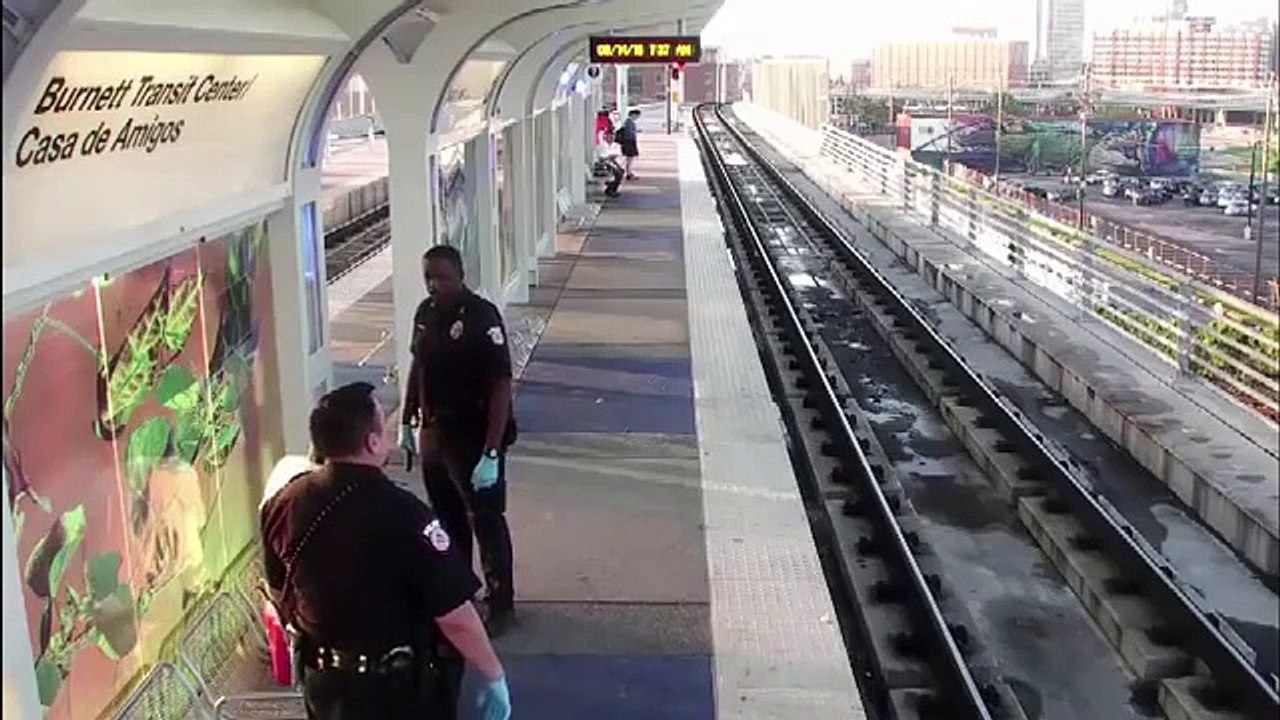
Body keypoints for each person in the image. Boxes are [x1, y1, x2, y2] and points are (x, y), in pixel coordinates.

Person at [261, 382, 512, 720]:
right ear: (372, 441)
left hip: (324, 684)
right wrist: (493, 672)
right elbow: (455, 617)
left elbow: (279, 591)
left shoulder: (283, 504)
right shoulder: (406, 514)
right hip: (394, 690)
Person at [399, 245, 518, 637]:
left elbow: (501, 385)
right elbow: (418, 365)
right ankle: (460, 595)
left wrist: (492, 451)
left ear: (460, 275)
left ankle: (501, 603)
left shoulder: (482, 317)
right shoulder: (425, 314)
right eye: (428, 277)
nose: (434, 285)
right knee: (446, 519)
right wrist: (407, 417)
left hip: (474, 435)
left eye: (442, 277)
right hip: (435, 433)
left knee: (485, 519)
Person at [593, 108, 624, 197]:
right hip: (605, 160)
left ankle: (611, 187)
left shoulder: (599, 126)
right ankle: (611, 188)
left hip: (607, 158)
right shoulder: (604, 126)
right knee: (618, 172)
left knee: (619, 172)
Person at [617, 108, 641, 180]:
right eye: (637, 116)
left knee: (629, 158)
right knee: (629, 158)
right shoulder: (629, 122)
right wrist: (635, 132)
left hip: (628, 142)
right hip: (629, 142)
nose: (637, 117)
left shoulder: (628, 122)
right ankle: (628, 173)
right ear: (633, 115)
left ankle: (629, 172)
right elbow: (629, 133)